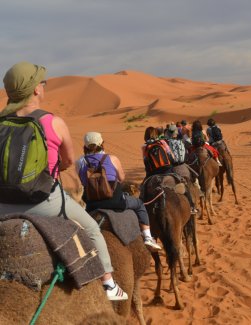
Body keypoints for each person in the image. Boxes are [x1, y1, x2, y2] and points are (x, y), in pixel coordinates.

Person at [0, 62, 128, 301]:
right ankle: (109, 284)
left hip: (3, 203)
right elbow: (68, 159)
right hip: (44, 200)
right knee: (91, 229)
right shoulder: (53, 122)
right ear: (36, 90)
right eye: (42, 82)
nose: (43, 85)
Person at [75, 132, 161, 252]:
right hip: (115, 201)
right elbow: (121, 178)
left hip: (92, 204)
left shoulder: (79, 162)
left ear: (85, 146)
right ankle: (147, 237)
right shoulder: (112, 158)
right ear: (102, 144)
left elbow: (83, 181)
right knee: (139, 204)